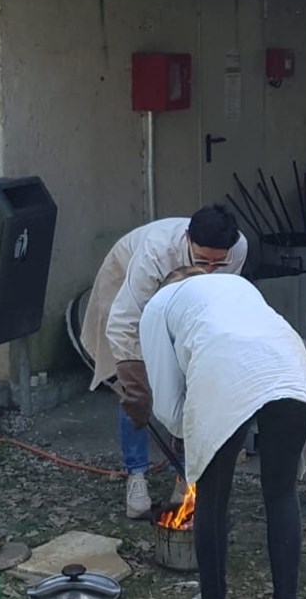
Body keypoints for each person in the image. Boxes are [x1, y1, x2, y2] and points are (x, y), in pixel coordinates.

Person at [134, 271, 306, 599]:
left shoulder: (156, 307)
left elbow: (168, 404)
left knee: (212, 497)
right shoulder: (237, 284)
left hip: (224, 368)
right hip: (291, 364)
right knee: (281, 492)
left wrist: (195, 435)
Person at [80, 208, 248, 518]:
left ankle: (184, 474)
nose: (211, 270)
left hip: (185, 301)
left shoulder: (237, 249)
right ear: (187, 240)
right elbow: (124, 320)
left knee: (190, 383)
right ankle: (137, 475)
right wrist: (134, 380)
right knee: (135, 390)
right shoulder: (156, 251)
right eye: (202, 261)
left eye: (218, 263)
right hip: (129, 291)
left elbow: (217, 301)